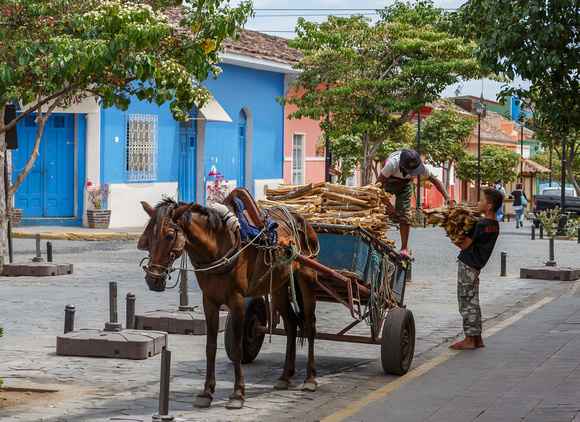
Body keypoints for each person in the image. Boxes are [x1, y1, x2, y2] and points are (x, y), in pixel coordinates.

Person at [449, 187, 503, 350]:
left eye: (481, 200)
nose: (478, 202)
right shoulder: (494, 225)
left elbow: (464, 245)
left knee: (466, 302)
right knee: (474, 301)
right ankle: (477, 338)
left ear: (489, 206)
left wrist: (451, 235)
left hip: (468, 264)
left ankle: (469, 340)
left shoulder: (479, 225)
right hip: (477, 265)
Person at [377, 148, 454, 259]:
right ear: (402, 166)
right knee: (380, 211)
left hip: (406, 185)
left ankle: (404, 248)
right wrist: (388, 205)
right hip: (387, 184)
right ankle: (379, 240)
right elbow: (377, 186)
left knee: (406, 213)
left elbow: (436, 181)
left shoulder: (419, 165)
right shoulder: (391, 165)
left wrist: (447, 197)